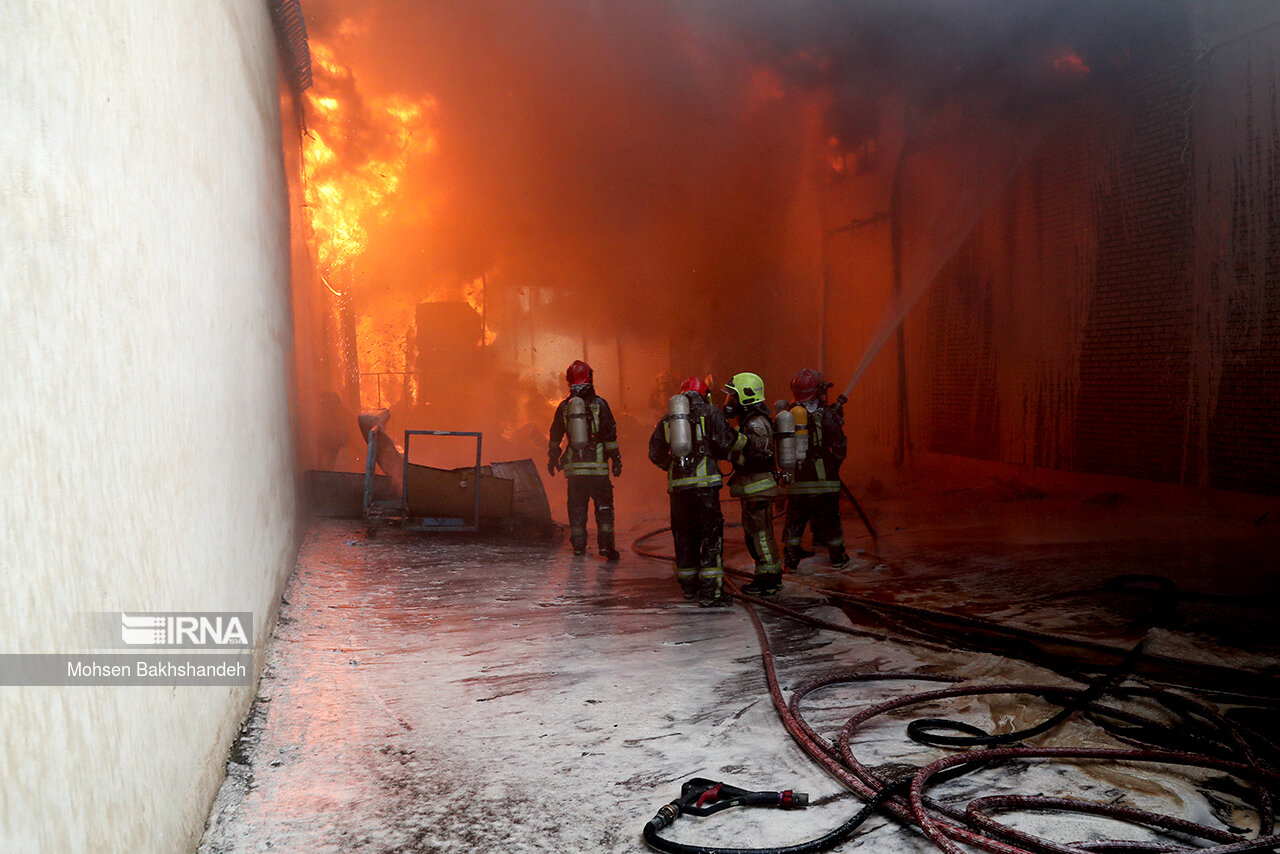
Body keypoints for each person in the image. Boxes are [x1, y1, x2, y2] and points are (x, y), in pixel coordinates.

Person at [648, 376, 739, 606]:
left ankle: (689, 589)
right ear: (704, 394)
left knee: (684, 536)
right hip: (705, 487)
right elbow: (727, 443)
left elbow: (654, 453)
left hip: (679, 490)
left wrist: (672, 467)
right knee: (710, 537)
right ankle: (712, 594)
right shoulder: (712, 413)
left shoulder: (668, 418)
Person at [547, 360, 622, 559]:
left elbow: (555, 435)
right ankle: (606, 546)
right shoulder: (600, 404)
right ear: (590, 378)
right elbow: (609, 435)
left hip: (575, 470)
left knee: (577, 507)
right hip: (598, 469)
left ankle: (579, 545)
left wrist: (552, 458)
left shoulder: (564, 407)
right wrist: (616, 459)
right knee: (604, 508)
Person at [722, 372, 784, 595]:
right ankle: (765, 574)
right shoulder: (749, 421)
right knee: (754, 534)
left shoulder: (756, 424)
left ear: (746, 397)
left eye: (733, 397)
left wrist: (731, 452)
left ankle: (770, 578)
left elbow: (756, 457)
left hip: (758, 487)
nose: (729, 403)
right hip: (753, 488)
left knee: (761, 534)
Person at [782, 369, 850, 570]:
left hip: (797, 479)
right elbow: (839, 445)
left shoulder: (788, 415)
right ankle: (838, 557)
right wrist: (834, 465)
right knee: (830, 518)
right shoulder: (826, 414)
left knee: (795, 519)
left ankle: (791, 559)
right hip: (823, 480)